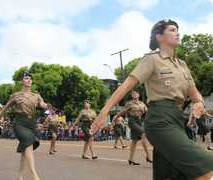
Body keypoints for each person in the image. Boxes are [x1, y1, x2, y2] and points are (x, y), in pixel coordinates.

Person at [91, 19, 213, 179]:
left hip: (177, 120)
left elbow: (194, 92)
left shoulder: (182, 64)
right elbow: (126, 86)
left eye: (177, 30)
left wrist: (199, 102)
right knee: (206, 167)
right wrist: (104, 112)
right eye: (172, 30)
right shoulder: (151, 60)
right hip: (159, 121)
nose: (177, 33)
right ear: (159, 37)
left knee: (174, 175)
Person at [0, 72, 51, 180]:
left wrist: (47, 106)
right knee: (28, 144)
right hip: (20, 122)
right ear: (21, 81)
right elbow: (5, 108)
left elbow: (42, 104)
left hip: (31, 123)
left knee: (25, 150)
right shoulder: (16, 95)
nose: (29, 80)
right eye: (26, 78)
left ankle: (19, 177)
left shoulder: (36, 95)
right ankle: (34, 176)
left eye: (30, 79)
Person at [113, 90, 152, 165]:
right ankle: (149, 156)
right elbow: (123, 112)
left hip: (139, 121)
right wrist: (115, 118)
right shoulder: (129, 103)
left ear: (139, 95)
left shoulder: (142, 104)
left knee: (135, 140)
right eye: (133, 93)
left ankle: (131, 159)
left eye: (136, 93)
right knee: (143, 134)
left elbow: (148, 112)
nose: (134, 94)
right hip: (132, 121)